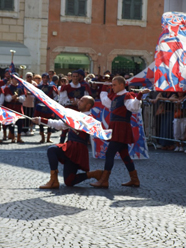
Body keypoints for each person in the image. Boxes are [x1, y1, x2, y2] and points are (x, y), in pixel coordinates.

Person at [90, 76, 150, 188]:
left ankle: (104, 180)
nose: (112, 87)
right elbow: (104, 101)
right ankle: (134, 180)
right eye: (111, 85)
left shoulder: (127, 96)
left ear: (122, 85)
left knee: (110, 153)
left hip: (121, 127)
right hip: (116, 127)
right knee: (124, 155)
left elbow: (134, 107)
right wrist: (103, 86)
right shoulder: (115, 96)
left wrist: (140, 95)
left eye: (114, 85)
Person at [32, 96, 103, 189]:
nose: (78, 102)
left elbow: (92, 131)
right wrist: (41, 120)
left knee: (52, 150)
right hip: (71, 147)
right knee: (69, 181)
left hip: (78, 149)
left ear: (88, 105)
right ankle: (93, 174)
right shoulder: (77, 115)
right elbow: (60, 125)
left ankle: (53, 180)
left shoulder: (89, 119)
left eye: (82, 101)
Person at [59, 70, 90, 143]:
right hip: (69, 110)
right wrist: (71, 102)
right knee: (65, 127)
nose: (75, 78)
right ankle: (61, 143)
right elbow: (62, 100)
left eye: (77, 76)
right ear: (71, 77)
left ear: (79, 77)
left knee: (79, 128)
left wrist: (78, 102)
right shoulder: (66, 87)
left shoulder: (84, 87)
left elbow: (87, 98)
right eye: (74, 76)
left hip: (80, 111)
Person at [34, 73, 59, 143]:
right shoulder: (38, 87)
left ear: (48, 79)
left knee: (50, 122)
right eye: (44, 78)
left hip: (49, 107)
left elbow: (56, 96)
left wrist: (51, 103)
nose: (45, 79)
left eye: (46, 78)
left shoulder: (52, 87)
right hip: (40, 107)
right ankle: (42, 138)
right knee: (41, 122)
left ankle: (48, 138)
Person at [4, 73, 26, 143]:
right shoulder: (8, 88)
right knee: (11, 123)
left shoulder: (21, 88)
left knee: (20, 123)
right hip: (11, 107)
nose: (15, 80)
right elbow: (6, 98)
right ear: (11, 79)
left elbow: (24, 98)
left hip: (18, 107)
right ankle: (13, 137)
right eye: (14, 79)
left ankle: (19, 137)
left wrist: (18, 98)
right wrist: (12, 97)